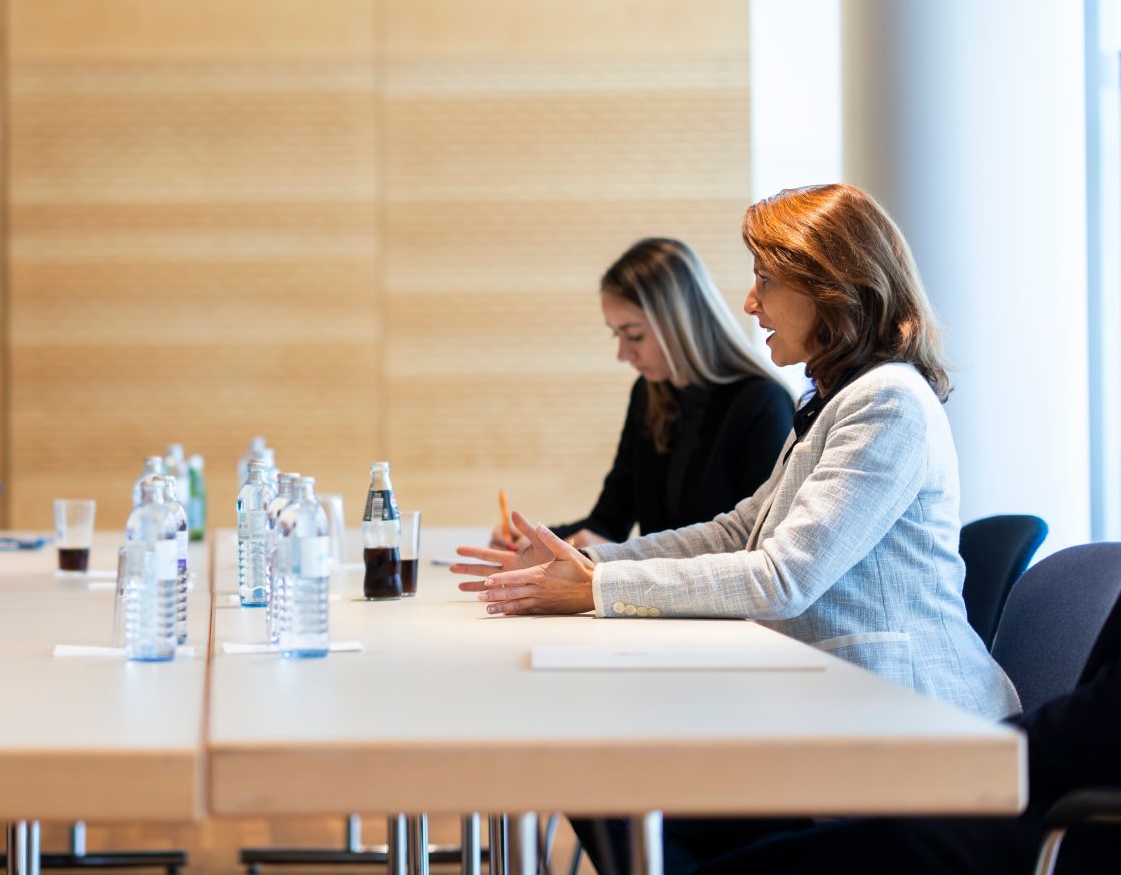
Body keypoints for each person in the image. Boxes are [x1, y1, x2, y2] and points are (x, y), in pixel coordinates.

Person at [457, 184, 1018, 718]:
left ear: (829, 287)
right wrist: (584, 565)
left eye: (764, 280)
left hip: (913, 713)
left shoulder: (887, 402)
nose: (750, 303)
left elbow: (782, 579)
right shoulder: (836, 397)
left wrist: (594, 587)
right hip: (838, 697)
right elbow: (736, 532)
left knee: (627, 768)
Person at [695, 592, 1121, 875]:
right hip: (1039, 778)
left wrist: (945, 767)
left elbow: (1101, 726)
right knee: (711, 820)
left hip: (1074, 820)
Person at [496, 237, 793, 550]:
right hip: (651, 593)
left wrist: (613, 555)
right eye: (617, 335)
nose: (623, 354)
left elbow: (754, 545)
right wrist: (535, 539)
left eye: (634, 336)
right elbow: (609, 522)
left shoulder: (763, 404)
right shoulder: (649, 394)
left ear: (678, 324)